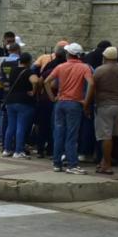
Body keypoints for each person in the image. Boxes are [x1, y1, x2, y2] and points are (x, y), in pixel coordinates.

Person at [44, 43, 94, 174]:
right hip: (74, 104)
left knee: (59, 134)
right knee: (71, 136)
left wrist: (52, 98)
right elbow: (91, 84)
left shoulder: (60, 67)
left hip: (60, 103)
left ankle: (57, 163)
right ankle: (72, 165)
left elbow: (46, 82)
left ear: (68, 54)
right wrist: (86, 102)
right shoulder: (84, 67)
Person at [91, 46, 118, 175]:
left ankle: (107, 165)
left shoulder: (100, 70)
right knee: (111, 135)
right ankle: (104, 162)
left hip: (105, 105)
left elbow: (92, 87)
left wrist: (88, 103)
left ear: (104, 57)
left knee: (105, 136)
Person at [2, 52, 39, 159]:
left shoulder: (13, 70)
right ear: (28, 62)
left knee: (11, 126)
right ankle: (18, 151)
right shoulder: (28, 71)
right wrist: (33, 91)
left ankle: (7, 149)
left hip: (10, 100)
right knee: (21, 126)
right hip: (24, 101)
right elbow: (35, 80)